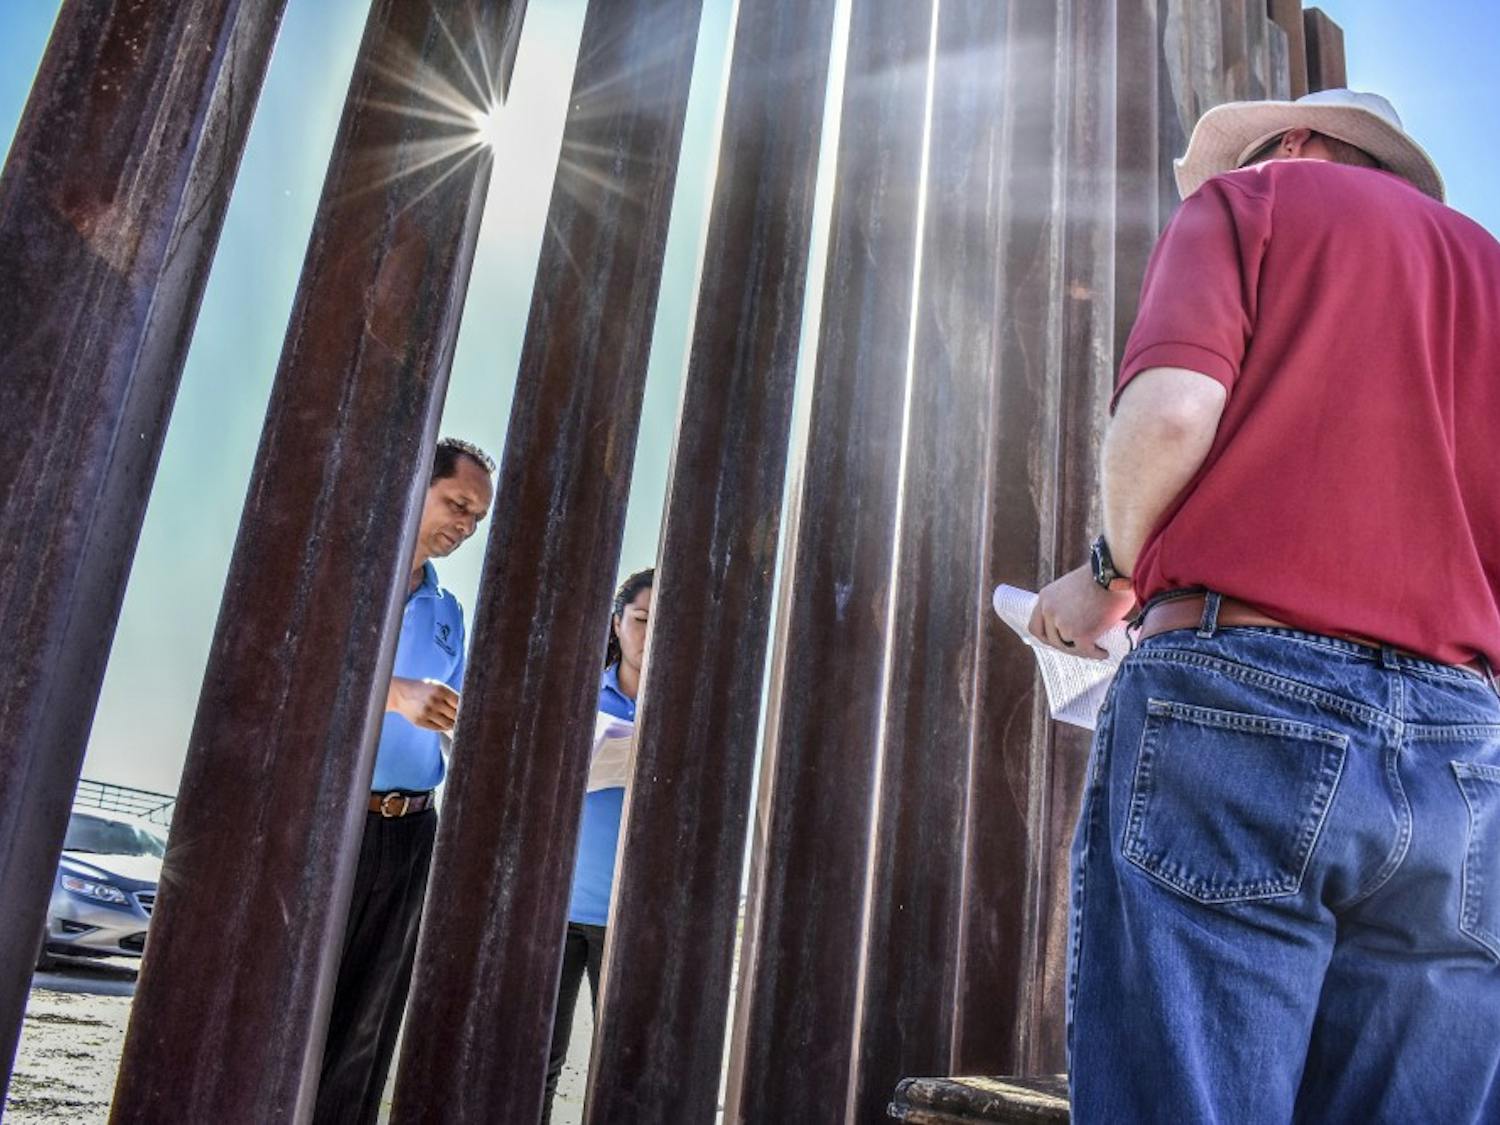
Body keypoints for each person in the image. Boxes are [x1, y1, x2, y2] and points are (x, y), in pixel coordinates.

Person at [1029, 89, 1500, 1122]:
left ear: (1294, 142)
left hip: (1240, 699)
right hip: (1465, 746)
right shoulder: (1492, 273)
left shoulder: (1256, 204)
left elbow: (1169, 415)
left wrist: (1110, 575)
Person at [314, 437, 495, 1125]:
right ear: (417, 484)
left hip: (414, 827)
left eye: (477, 516)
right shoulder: (352, 569)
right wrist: (397, 694)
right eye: (457, 503)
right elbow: (308, 669)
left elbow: (443, 706)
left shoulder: (449, 608)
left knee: (372, 1016)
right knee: (308, 1000)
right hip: (341, 820)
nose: (466, 524)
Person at [541, 567, 654, 1123]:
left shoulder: (685, 711)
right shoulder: (578, 693)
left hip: (630, 920)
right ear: (617, 622)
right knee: (539, 1064)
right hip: (557, 912)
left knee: (623, 1071)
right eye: (641, 619)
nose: (649, 634)